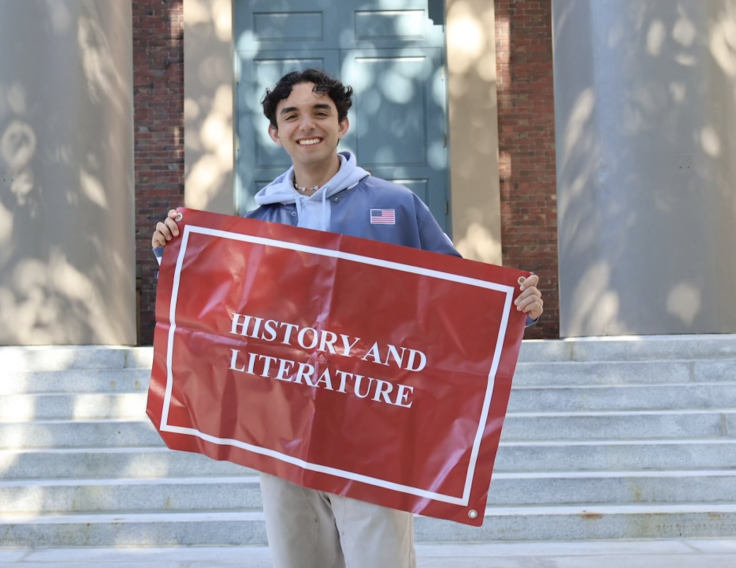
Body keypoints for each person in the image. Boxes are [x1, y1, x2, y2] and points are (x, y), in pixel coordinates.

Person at [152, 69, 544, 568]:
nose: (306, 124)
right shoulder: (256, 225)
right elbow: (219, 314)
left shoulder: (395, 205)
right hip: (281, 431)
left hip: (371, 429)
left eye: (321, 112)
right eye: (290, 115)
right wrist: (177, 256)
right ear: (275, 132)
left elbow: (459, 294)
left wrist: (516, 309)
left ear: (343, 125)